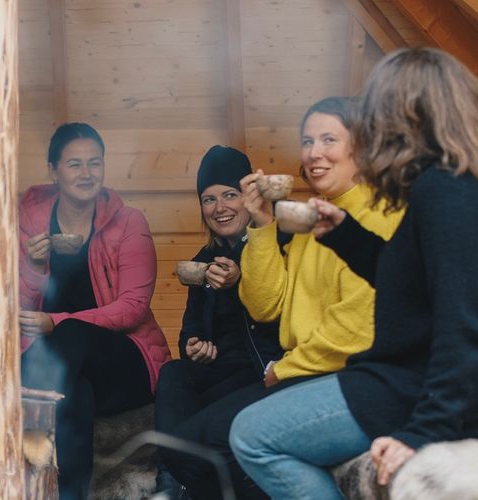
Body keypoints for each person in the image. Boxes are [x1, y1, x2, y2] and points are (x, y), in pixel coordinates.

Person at [230, 47, 478, 500]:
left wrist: (424, 430)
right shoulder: (434, 188)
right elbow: (411, 285)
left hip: (407, 385)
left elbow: (462, 326)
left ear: (405, 116)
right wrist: (347, 237)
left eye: (374, 114)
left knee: (252, 436)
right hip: (396, 377)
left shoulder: (448, 193)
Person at [158, 97, 403, 500]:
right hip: (309, 375)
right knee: (188, 441)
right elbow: (267, 303)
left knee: (211, 446)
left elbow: (360, 324)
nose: (314, 152)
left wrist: (286, 369)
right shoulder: (311, 219)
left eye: (329, 139)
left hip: (348, 377)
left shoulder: (379, 212)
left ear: (361, 146)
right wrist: (263, 223)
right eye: (307, 141)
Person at [18, 122, 172, 499]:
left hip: (123, 362)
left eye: (94, 163)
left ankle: (20, 402)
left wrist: (57, 322)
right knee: (75, 394)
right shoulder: (31, 222)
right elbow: (17, 306)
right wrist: (34, 266)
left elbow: (132, 309)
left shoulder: (128, 222)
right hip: (64, 371)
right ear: (53, 170)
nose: (86, 174)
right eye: (74, 164)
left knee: (71, 335)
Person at [152, 146, 281, 494]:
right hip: (217, 372)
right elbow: (189, 329)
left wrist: (242, 281)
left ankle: (179, 478)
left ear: (248, 198)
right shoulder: (204, 260)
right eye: (209, 199)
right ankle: (170, 480)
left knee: (192, 437)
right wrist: (194, 347)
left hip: (258, 372)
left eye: (230, 195)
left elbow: (280, 317)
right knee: (173, 372)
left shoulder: (277, 244)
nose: (220, 208)